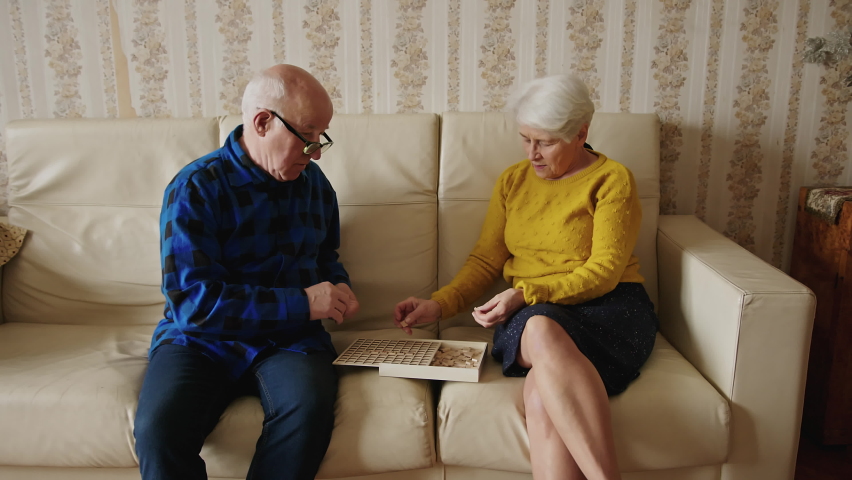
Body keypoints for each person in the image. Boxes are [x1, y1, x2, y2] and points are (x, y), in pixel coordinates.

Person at [393, 74, 657, 480]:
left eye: (545, 142)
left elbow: (604, 273)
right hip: (538, 315)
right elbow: (485, 260)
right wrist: (439, 303)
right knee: (540, 328)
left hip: (610, 311)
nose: (532, 153)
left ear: (580, 133)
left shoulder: (611, 180)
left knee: (541, 395)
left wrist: (526, 294)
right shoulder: (513, 181)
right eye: (525, 139)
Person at [134, 64, 359, 480]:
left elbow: (326, 254)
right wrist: (304, 302)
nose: (317, 152)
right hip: (201, 341)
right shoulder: (196, 188)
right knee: (157, 431)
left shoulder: (315, 185)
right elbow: (194, 305)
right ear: (262, 122)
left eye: (321, 137)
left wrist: (339, 284)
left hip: (290, 341)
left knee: (307, 410)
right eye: (308, 136)